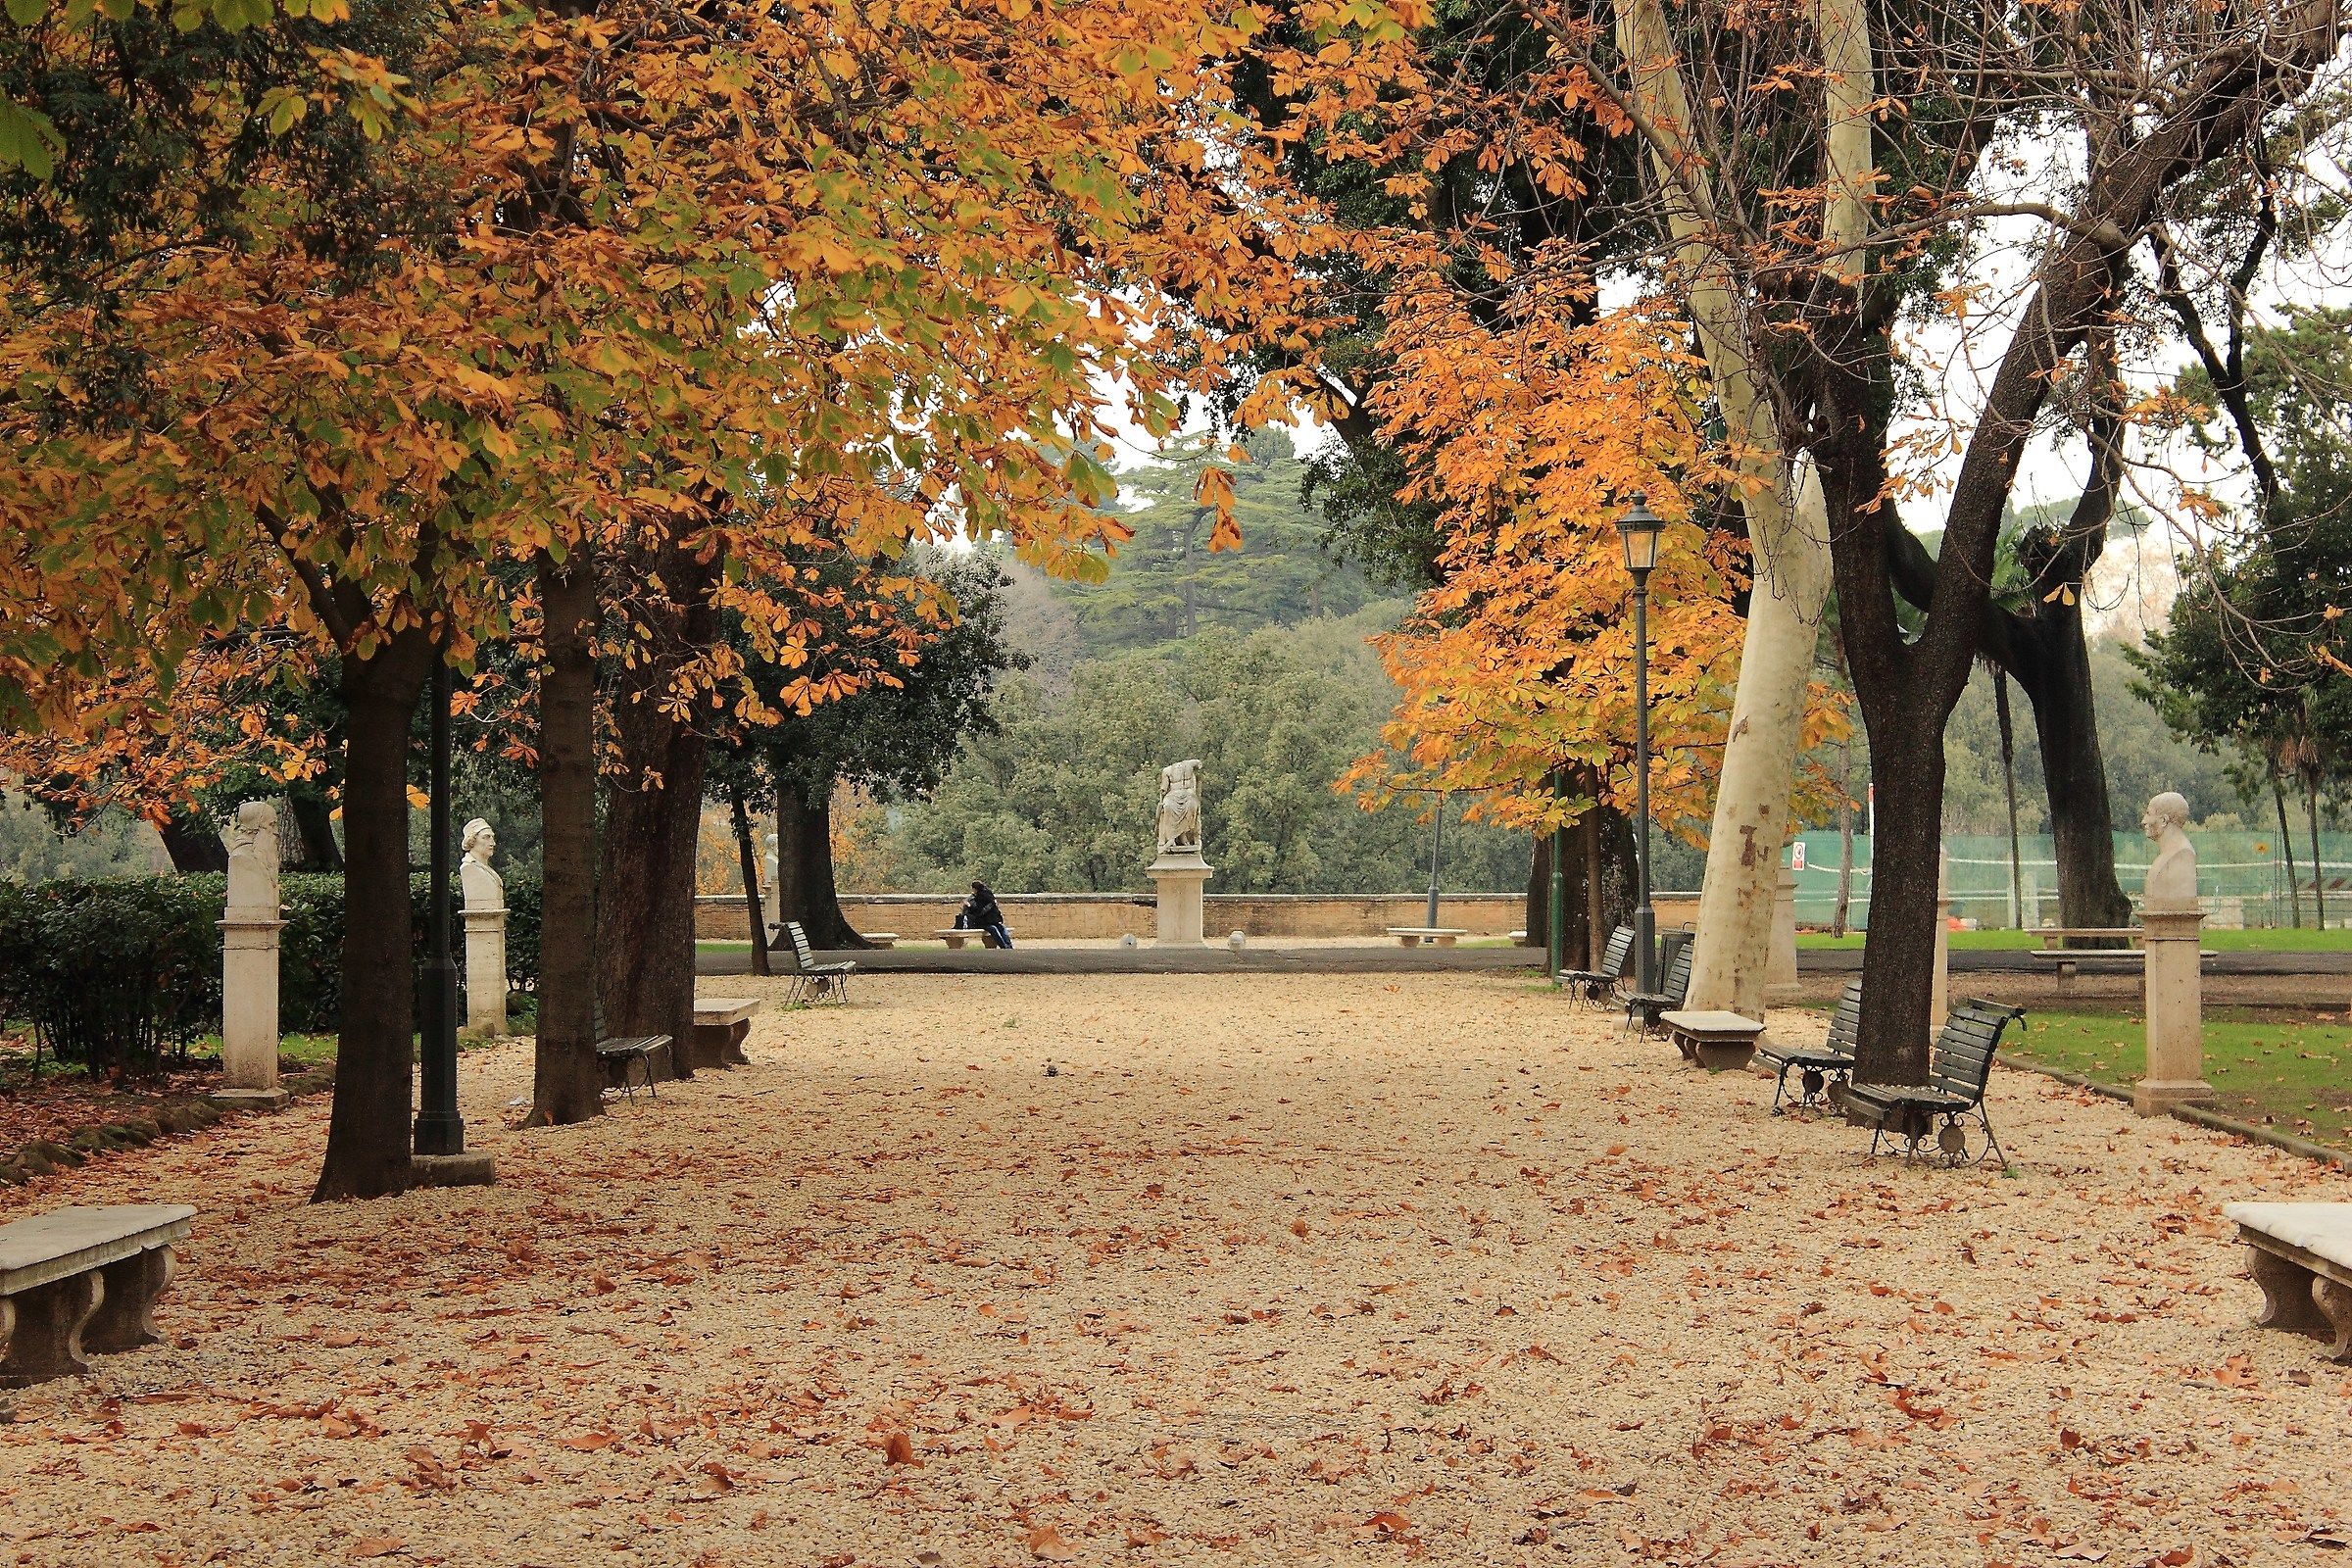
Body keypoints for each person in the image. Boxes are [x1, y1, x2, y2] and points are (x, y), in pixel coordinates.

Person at [955, 881, 1013, 949]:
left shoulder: (978, 897)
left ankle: (1004, 946)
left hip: (983, 921)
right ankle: (1009, 945)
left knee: (993, 929)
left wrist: (969, 905)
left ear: (975, 889)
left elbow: (978, 911)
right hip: (994, 919)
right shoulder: (989, 894)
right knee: (1001, 927)